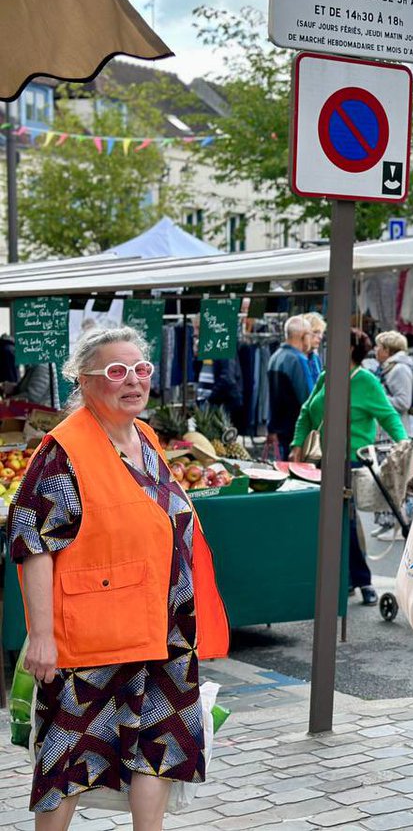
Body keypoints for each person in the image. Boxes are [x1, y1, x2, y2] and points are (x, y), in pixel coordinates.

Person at [7, 326, 229, 828]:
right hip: (92, 633)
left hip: (162, 629)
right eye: (115, 372)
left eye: (140, 369)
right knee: (67, 757)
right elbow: (33, 542)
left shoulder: (145, 437)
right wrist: (41, 636)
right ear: (84, 382)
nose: (132, 381)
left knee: (159, 745)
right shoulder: (63, 449)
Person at [291, 328, 407, 606]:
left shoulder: (366, 380)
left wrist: (405, 446)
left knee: (345, 521)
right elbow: (307, 411)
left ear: (350, 349)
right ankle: (344, 578)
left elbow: (389, 415)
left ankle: (361, 579)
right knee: (329, 521)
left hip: (351, 461)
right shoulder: (325, 377)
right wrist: (297, 445)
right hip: (321, 460)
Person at [267, 315, 312, 459]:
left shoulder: (275, 356)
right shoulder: (297, 360)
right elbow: (308, 399)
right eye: (310, 334)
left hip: (279, 429)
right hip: (295, 431)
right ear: (303, 336)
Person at [376, 330, 413, 438]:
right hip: (391, 431)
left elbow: (404, 402)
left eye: (378, 347)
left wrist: (378, 398)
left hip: (397, 434)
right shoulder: (389, 368)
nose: (375, 350)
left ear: (387, 350)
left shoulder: (400, 369)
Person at [303, 311, 327, 389]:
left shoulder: (315, 358)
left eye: (321, 333)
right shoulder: (295, 358)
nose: (320, 337)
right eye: (316, 332)